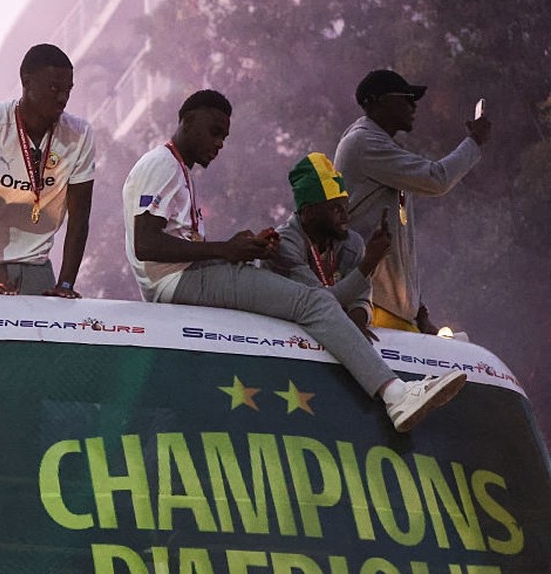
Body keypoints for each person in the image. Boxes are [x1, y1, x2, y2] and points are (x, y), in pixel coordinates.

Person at [123, 89, 466, 433]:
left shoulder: (177, 170)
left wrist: (244, 248)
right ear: (187, 120)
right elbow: (146, 244)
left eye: (224, 137)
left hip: (186, 277)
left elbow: (178, 241)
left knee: (296, 298)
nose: (219, 144)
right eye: (214, 132)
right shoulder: (162, 164)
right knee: (313, 301)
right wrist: (225, 250)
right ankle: (396, 395)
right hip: (177, 281)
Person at [333, 69, 492, 333]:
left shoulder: (379, 145)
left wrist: (419, 311)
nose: (413, 105)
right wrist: (474, 141)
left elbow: (399, 244)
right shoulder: (364, 143)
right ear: (377, 101)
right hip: (370, 308)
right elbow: (437, 178)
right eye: (407, 98)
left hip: (388, 309)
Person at [0, 43, 94, 297]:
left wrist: (65, 284)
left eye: (68, 90)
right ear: (26, 82)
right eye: (54, 88)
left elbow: (79, 217)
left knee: (46, 323)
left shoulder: (80, 134)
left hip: (35, 262)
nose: (62, 98)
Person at [266, 152, 391, 341]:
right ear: (309, 212)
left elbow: (361, 299)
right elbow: (318, 302)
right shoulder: (284, 244)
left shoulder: (352, 242)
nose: (346, 217)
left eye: (345, 207)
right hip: (281, 336)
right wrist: (368, 263)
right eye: (336, 209)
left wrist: (356, 323)